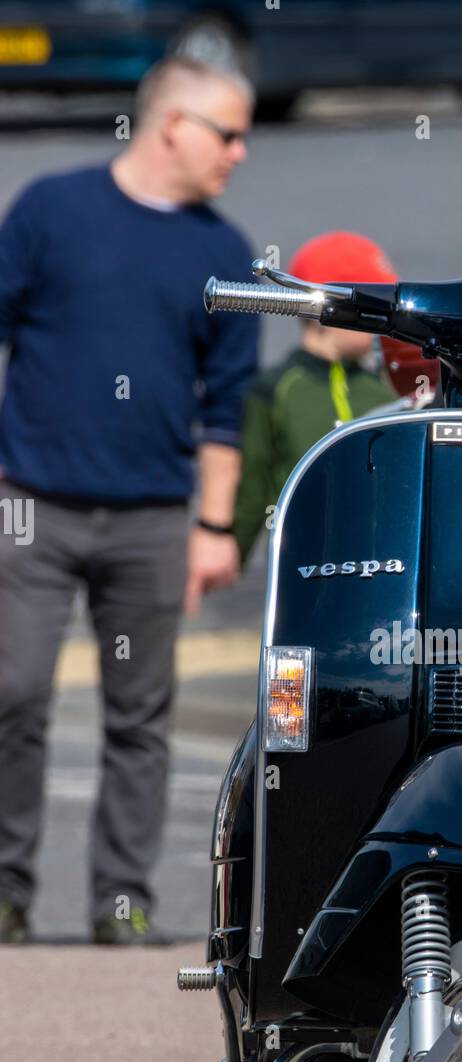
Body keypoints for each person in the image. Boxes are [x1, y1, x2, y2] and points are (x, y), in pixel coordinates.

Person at [0, 56, 259, 945]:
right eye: (228, 132)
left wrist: (214, 527)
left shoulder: (222, 253)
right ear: (173, 125)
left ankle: (121, 902)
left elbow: (225, 407)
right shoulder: (50, 211)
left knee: (140, 715)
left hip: (152, 516)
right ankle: (6, 894)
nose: (240, 151)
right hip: (29, 502)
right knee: (14, 689)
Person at [233, 232, 399, 567]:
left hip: (382, 557)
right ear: (327, 306)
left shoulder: (383, 387)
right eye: (372, 305)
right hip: (304, 561)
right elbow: (252, 485)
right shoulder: (277, 389)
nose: (384, 320)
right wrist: (231, 549)